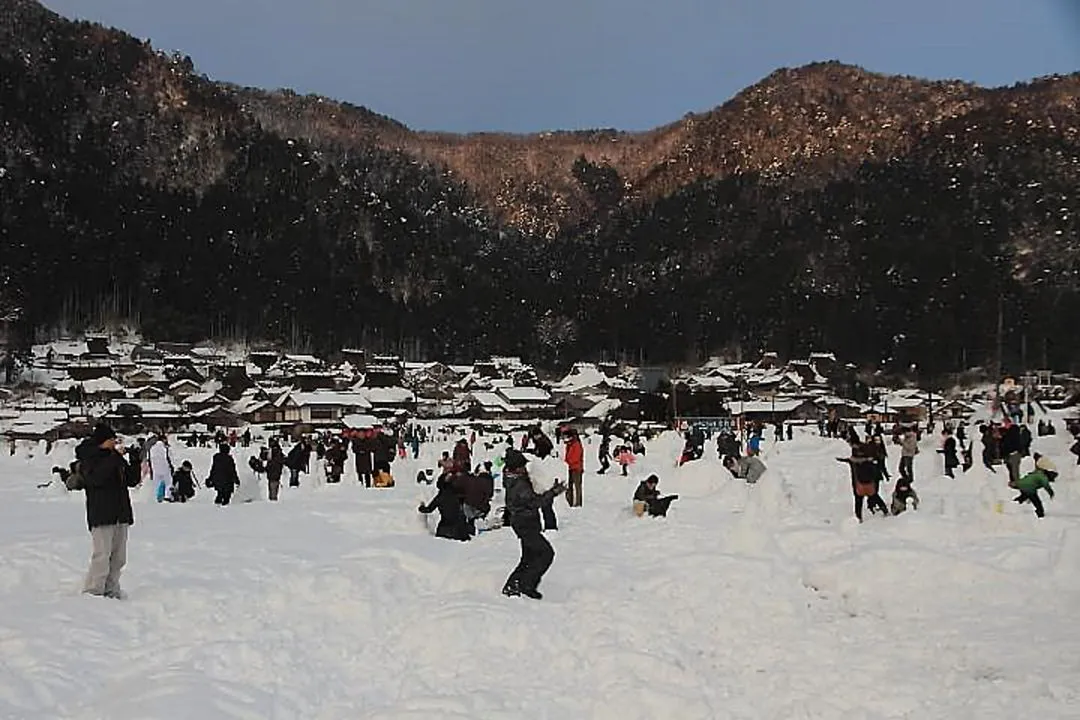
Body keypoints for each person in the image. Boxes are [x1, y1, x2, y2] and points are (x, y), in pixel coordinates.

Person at [78, 424, 140, 599]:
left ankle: (111, 589)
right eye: (111, 439)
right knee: (102, 555)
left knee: (119, 557)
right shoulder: (89, 458)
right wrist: (114, 458)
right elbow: (96, 478)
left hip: (120, 512)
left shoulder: (114, 458)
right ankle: (94, 591)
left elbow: (131, 480)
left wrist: (135, 460)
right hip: (101, 513)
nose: (114, 442)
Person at [501, 448, 565, 600]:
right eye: (522, 466)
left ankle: (516, 585)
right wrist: (553, 492)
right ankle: (525, 584)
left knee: (529, 557)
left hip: (524, 521)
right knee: (546, 553)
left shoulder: (513, 478)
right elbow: (535, 502)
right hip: (525, 523)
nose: (525, 468)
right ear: (516, 468)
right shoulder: (519, 484)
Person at [418, 475, 470, 541]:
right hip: (459, 530)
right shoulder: (458, 494)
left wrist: (421, 507)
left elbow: (429, 509)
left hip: (444, 529)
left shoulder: (441, 496)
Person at [149, 431, 173, 503]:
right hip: (165, 467)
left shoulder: (152, 448)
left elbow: (149, 459)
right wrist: (172, 466)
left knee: (158, 483)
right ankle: (167, 495)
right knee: (168, 482)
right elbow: (169, 458)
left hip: (155, 468)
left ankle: (158, 496)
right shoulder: (165, 448)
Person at [564, 429, 584, 507]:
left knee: (577, 486)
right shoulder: (570, 444)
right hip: (570, 468)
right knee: (570, 486)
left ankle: (578, 502)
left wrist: (567, 461)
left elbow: (575, 457)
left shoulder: (576, 444)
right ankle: (571, 501)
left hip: (576, 468)